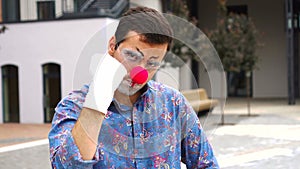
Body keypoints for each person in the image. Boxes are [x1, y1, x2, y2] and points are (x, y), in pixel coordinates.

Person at [48, 6, 219, 169]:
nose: (140, 72)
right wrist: (98, 98)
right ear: (112, 46)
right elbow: (67, 165)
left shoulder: (173, 103)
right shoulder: (73, 106)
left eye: (152, 63)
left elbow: (206, 163)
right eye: (132, 56)